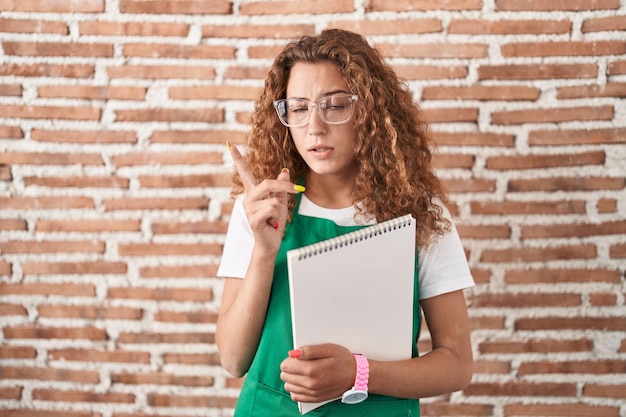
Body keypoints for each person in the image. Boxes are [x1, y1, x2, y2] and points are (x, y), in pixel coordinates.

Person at [216, 29, 474, 416]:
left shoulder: (420, 213)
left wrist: (359, 373)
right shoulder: (260, 210)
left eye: (334, 106)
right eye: (298, 108)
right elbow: (233, 361)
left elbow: (456, 364)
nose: (314, 128)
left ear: (371, 111)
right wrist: (263, 253)